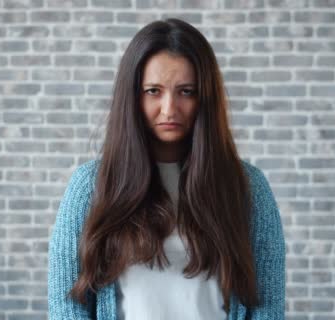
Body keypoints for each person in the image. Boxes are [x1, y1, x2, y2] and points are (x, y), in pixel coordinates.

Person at [48, 18, 285, 320]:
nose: (169, 108)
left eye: (186, 91)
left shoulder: (247, 187)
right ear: (132, 96)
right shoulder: (91, 186)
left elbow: (267, 307)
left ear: (205, 98)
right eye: (153, 91)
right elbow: (68, 307)